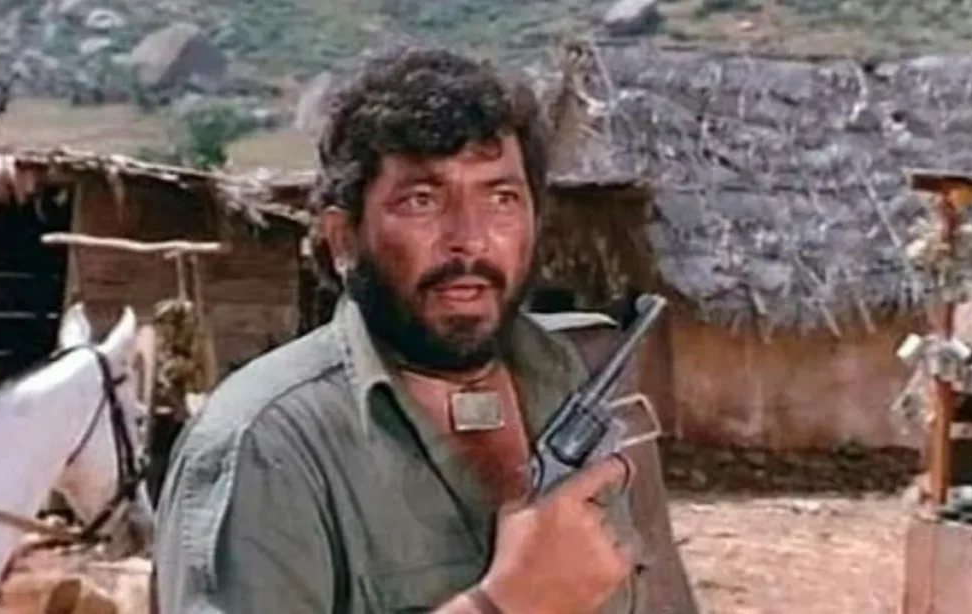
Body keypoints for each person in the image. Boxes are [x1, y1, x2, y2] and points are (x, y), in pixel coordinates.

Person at [152, 44, 700, 614]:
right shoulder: (266, 445)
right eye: (422, 200)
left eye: (502, 198)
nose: (470, 238)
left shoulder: (578, 379)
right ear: (343, 239)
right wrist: (503, 604)